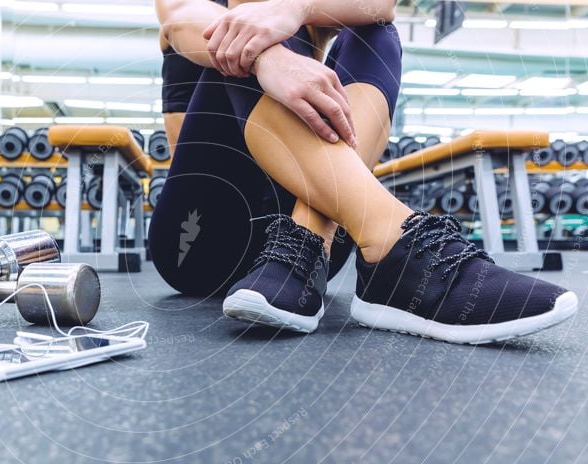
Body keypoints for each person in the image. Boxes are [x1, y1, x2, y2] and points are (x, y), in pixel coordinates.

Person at [149, 0, 578, 344]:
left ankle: (306, 241)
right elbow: (180, 20)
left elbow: (382, 7)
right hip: (198, 245)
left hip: (313, 263)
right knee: (238, 36)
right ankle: (392, 242)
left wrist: (295, 9)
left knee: (374, 32)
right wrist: (268, 57)